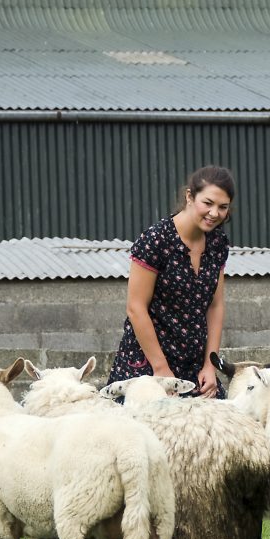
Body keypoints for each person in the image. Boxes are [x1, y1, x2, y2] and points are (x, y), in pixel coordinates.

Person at [108, 165, 234, 399]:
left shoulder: (217, 244)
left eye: (222, 207)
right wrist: (162, 373)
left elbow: (215, 306)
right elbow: (136, 308)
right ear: (189, 196)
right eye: (208, 203)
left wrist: (210, 364)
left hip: (195, 367)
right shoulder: (156, 240)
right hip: (148, 366)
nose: (214, 213)